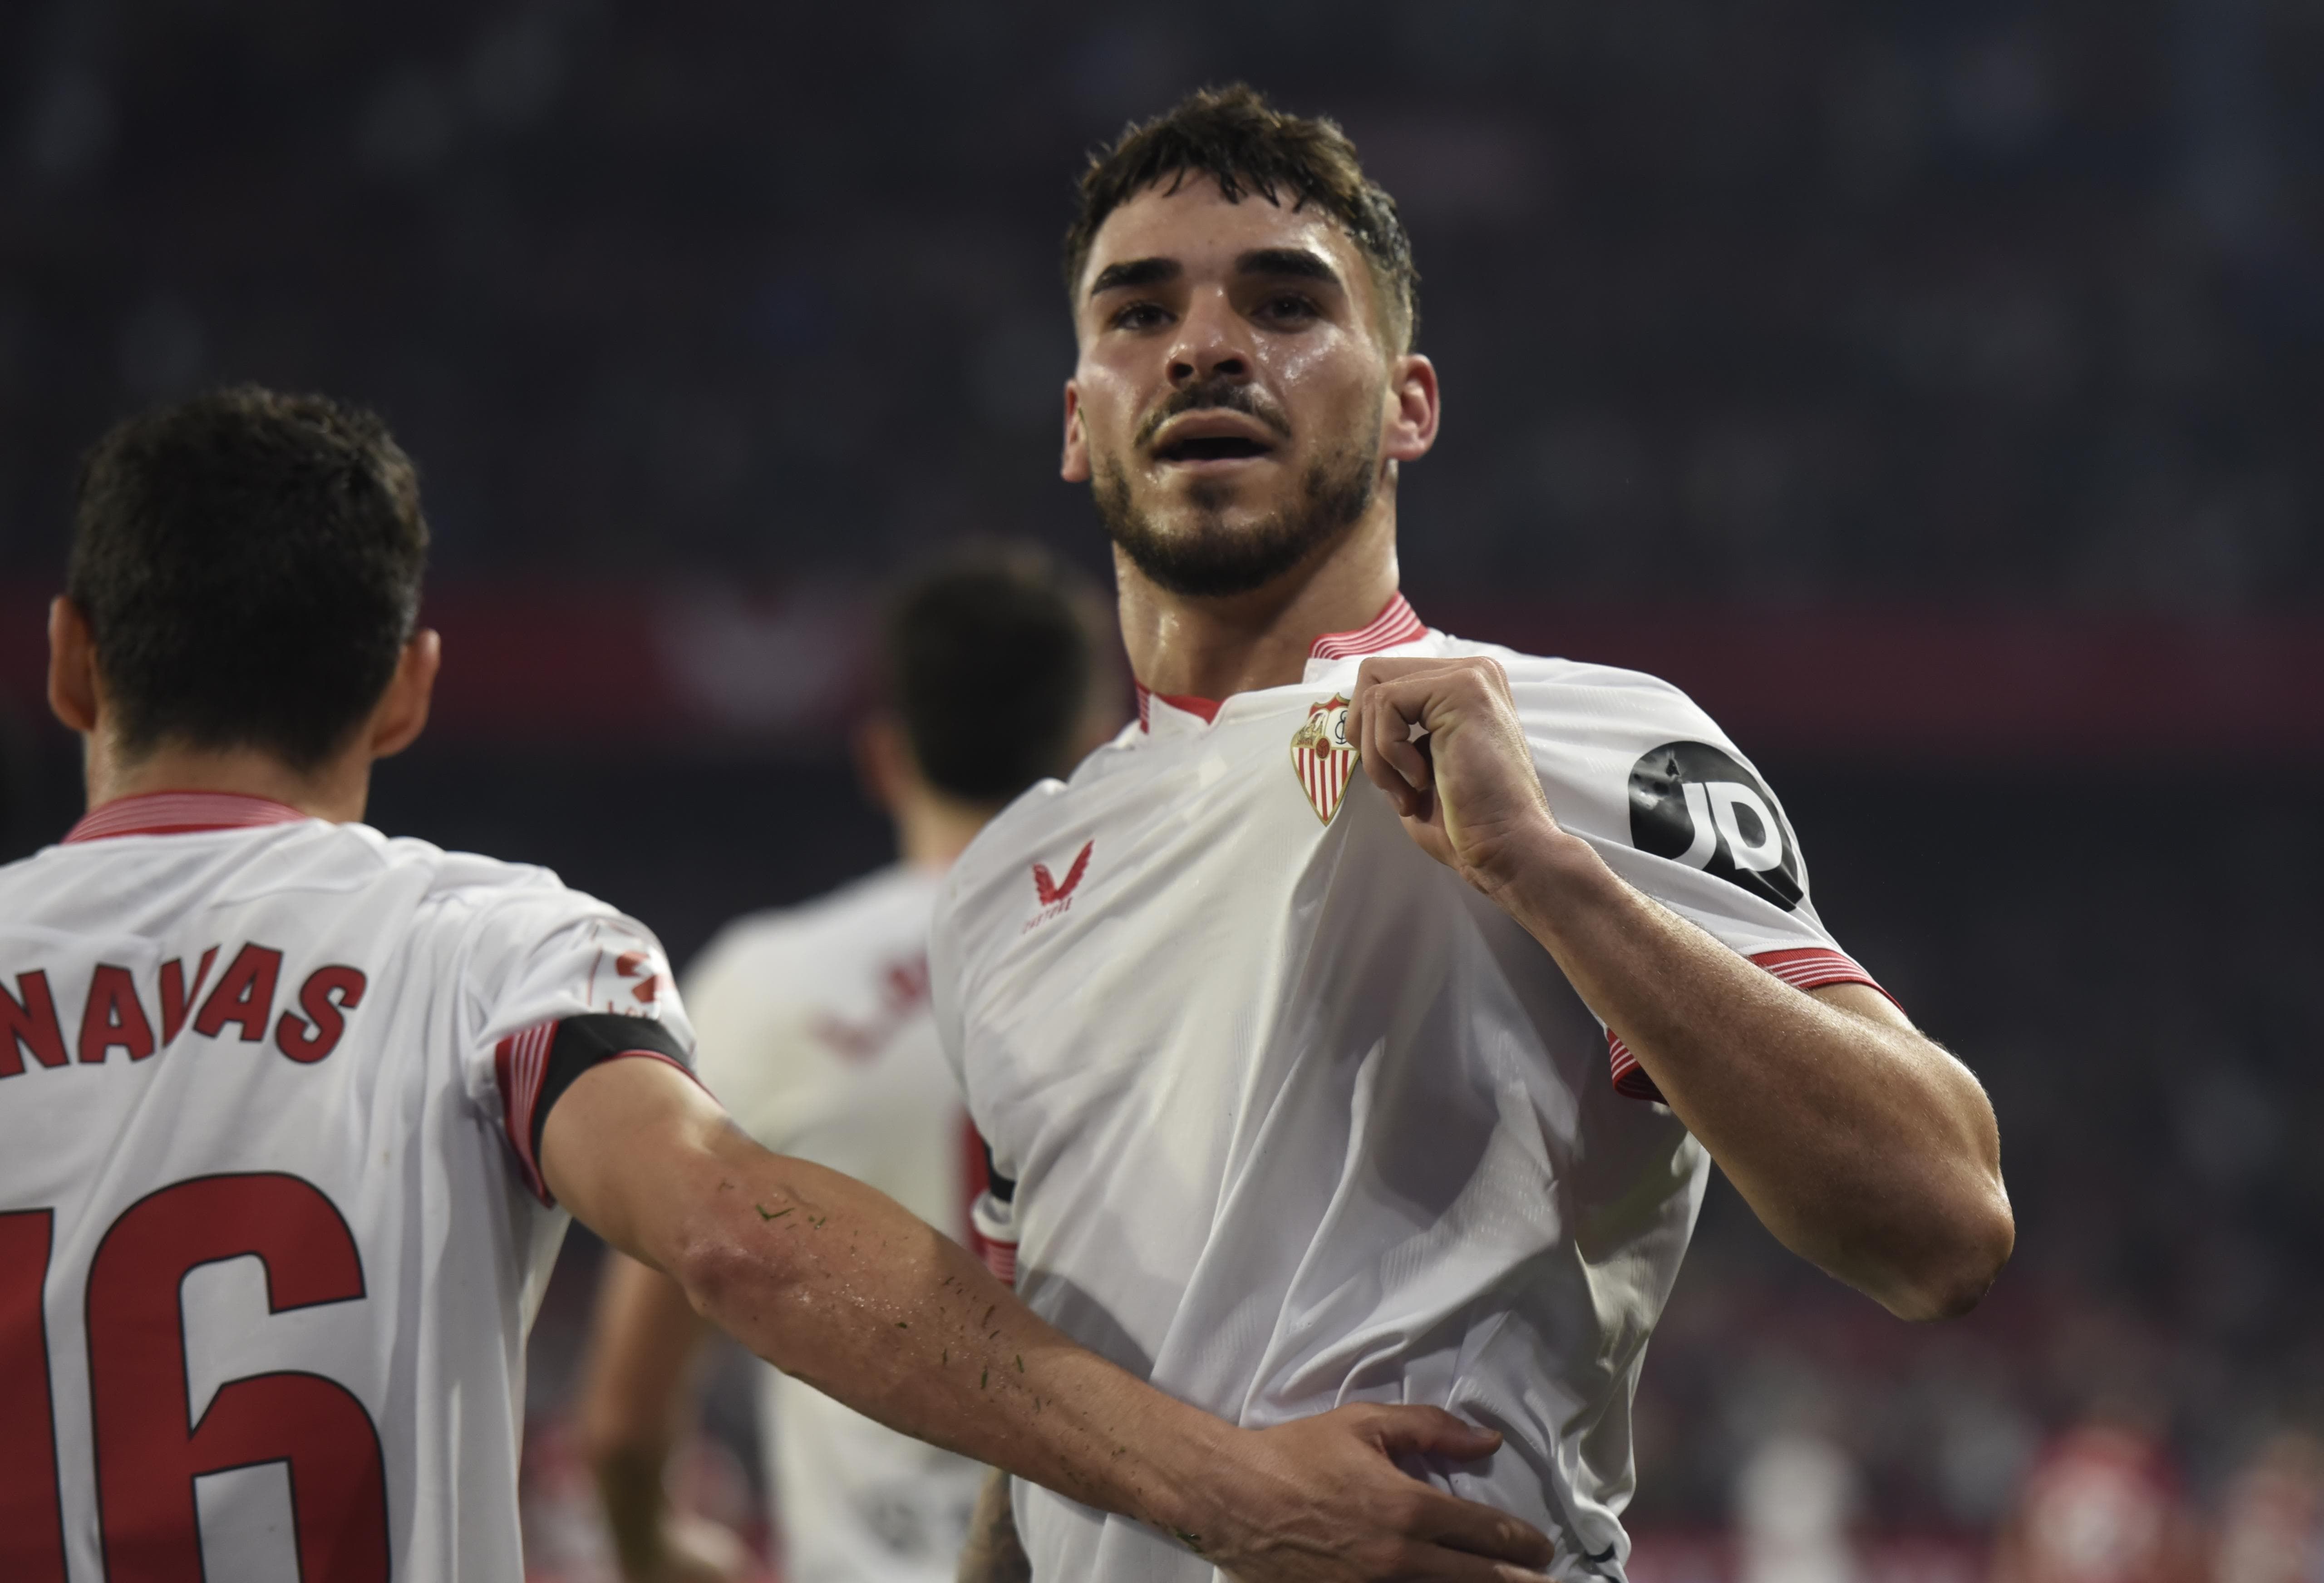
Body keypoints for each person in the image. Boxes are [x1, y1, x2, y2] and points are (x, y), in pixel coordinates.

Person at [0, 386, 1563, 1582]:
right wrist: (1239, 1487)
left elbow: (637, 1398)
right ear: (408, 686)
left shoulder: (761, 971)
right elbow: (737, 1236)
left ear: (73, 661)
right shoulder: (494, 953)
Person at [931, 86, 2017, 1582]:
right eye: (1136, 312)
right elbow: (1036, 1426)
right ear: (1077, 423)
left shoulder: (1579, 737)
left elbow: (1943, 1219)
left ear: (1409, 404)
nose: (1202, 344)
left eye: (1286, 300)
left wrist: (1543, 867)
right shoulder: (1000, 890)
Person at [577, 550, 1122, 1583]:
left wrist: (653, 1554)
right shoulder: (1169, 957)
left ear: (885, 756)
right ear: (1092, 744)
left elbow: (622, 1420)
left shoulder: (762, 984)